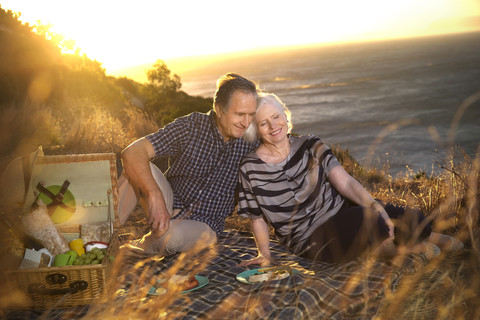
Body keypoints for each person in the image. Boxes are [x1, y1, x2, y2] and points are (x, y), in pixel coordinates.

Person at [237, 93, 463, 266]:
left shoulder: (310, 144)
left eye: (276, 116)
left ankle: (428, 237)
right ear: (255, 130)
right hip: (309, 239)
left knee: (408, 217)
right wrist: (264, 254)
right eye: (263, 123)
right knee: (370, 221)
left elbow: (345, 182)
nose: (273, 125)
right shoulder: (250, 167)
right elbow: (256, 218)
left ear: (285, 116)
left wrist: (376, 205)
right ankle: (399, 251)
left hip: (342, 212)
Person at [119, 73, 259, 256]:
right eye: (240, 114)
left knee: (169, 237)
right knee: (135, 165)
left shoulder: (253, 142)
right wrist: (154, 194)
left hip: (204, 225)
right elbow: (132, 152)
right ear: (219, 108)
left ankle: (142, 246)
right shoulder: (191, 126)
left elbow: (285, 146)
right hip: (168, 205)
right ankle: (99, 242)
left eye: (251, 115)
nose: (246, 123)